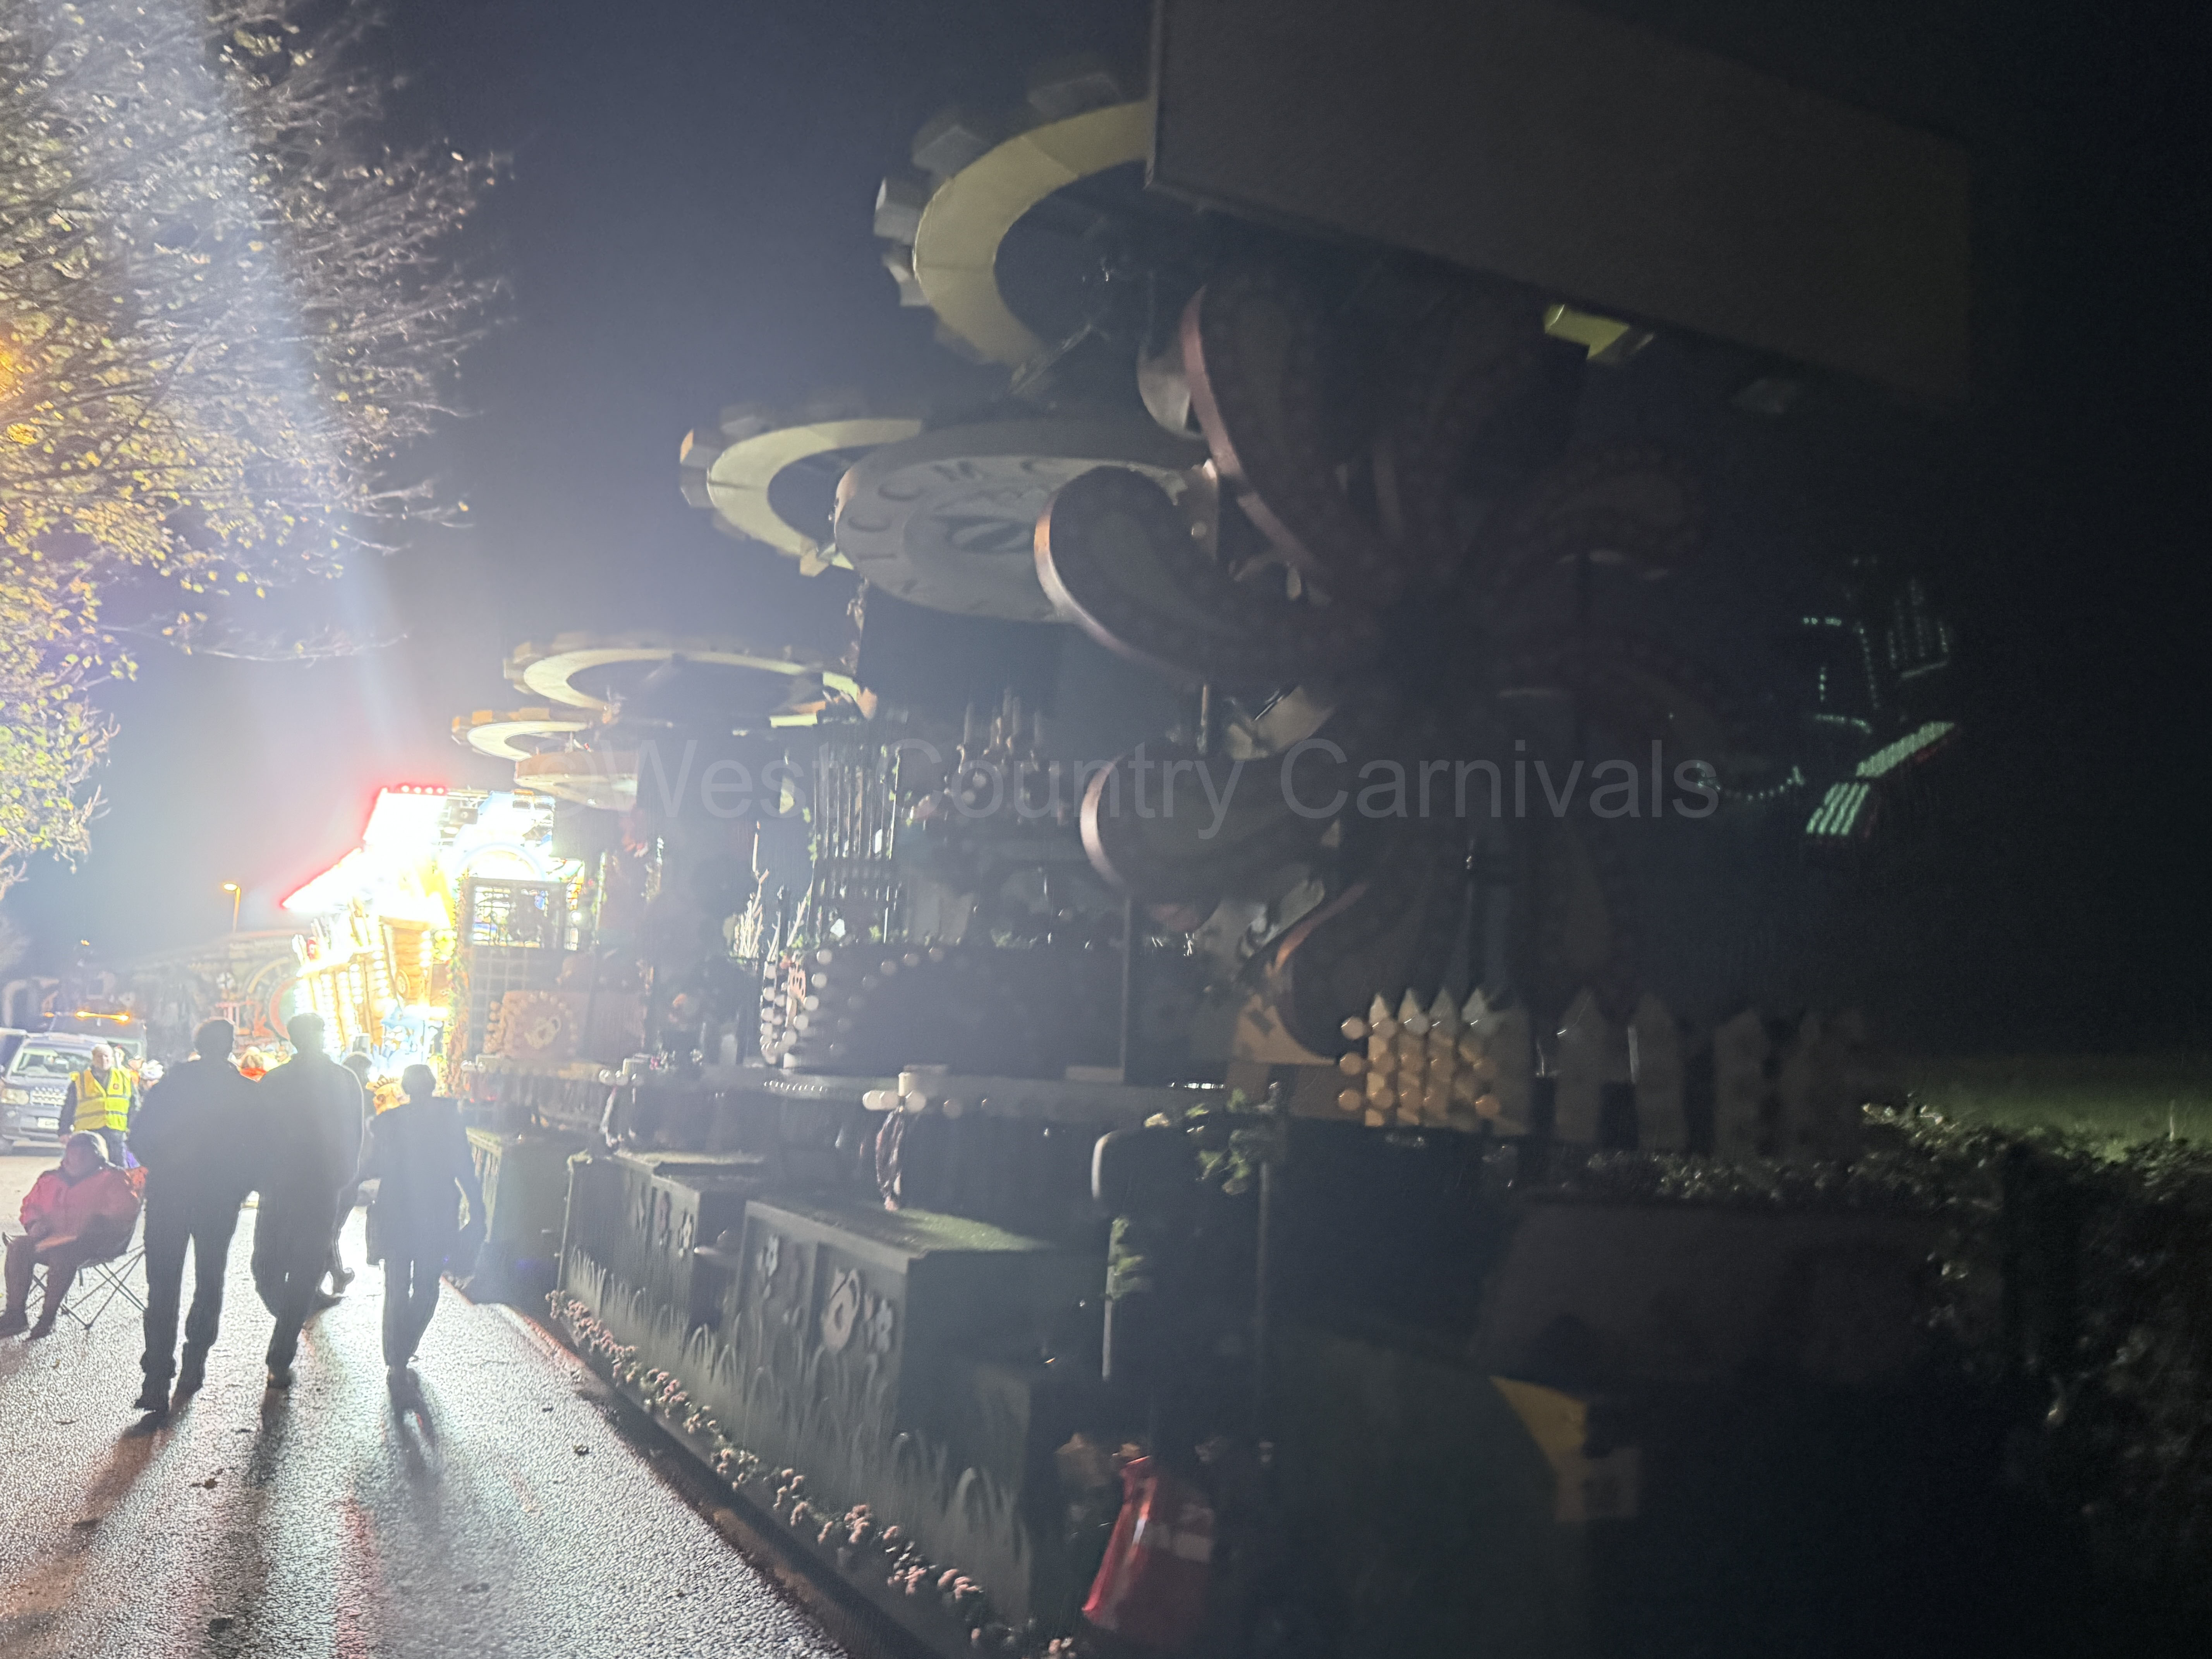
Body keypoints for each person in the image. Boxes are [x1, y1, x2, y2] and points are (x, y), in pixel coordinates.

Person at [128, 1018, 262, 1411]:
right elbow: (260, 1150)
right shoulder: (245, 1092)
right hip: (218, 1198)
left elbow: (138, 1137)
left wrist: (163, 1167)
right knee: (210, 1279)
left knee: (162, 1286)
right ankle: (194, 1363)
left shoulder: (172, 1086)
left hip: (170, 1194)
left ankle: (156, 1378)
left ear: (198, 1044)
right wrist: (240, 1186)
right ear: (230, 1046)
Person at [249, 1013, 365, 1388]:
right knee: (270, 1270)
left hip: (309, 1186)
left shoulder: (334, 1080)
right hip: (293, 1185)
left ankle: (281, 1352)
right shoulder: (281, 1080)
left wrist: (342, 1177)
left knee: (289, 1268)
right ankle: (290, 1318)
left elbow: (354, 1134)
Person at [361, 1064, 483, 1393]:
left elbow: (374, 1165)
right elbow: (464, 1166)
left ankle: (396, 1359)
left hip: (396, 1210)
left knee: (396, 1286)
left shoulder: (390, 1122)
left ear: (405, 1088)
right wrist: (477, 1207)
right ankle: (405, 1347)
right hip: (437, 1212)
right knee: (427, 1286)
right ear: (432, 1086)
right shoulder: (450, 1120)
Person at [0, 1133, 142, 1337]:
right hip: (51, 1238)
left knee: (63, 1256)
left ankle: (48, 1318)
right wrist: (34, 1224)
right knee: (19, 1247)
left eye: (83, 1155)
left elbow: (125, 1213)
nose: (77, 1160)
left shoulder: (114, 1179)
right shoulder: (50, 1178)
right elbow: (31, 1207)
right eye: (73, 1155)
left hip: (95, 1244)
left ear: (97, 1157)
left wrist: (87, 1229)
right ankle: (15, 1315)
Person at [325, 1053, 375, 1295]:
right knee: (331, 1228)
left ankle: (336, 1272)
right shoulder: (365, 1097)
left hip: (336, 1168)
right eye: (365, 1072)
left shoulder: (333, 1096)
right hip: (348, 1168)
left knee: (330, 1227)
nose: (368, 1078)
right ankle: (335, 1273)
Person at [69, 1042, 137, 1168]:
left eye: (107, 1056)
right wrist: (64, 1130)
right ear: (94, 1059)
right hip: (89, 1132)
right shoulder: (81, 1080)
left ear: (112, 1059)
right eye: (100, 1057)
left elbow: (134, 1105)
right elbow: (69, 1106)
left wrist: (133, 1128)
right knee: (88, 1167)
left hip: (116, 1132)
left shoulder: (124, 1078)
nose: (104, 1060)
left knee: (119, 1169)